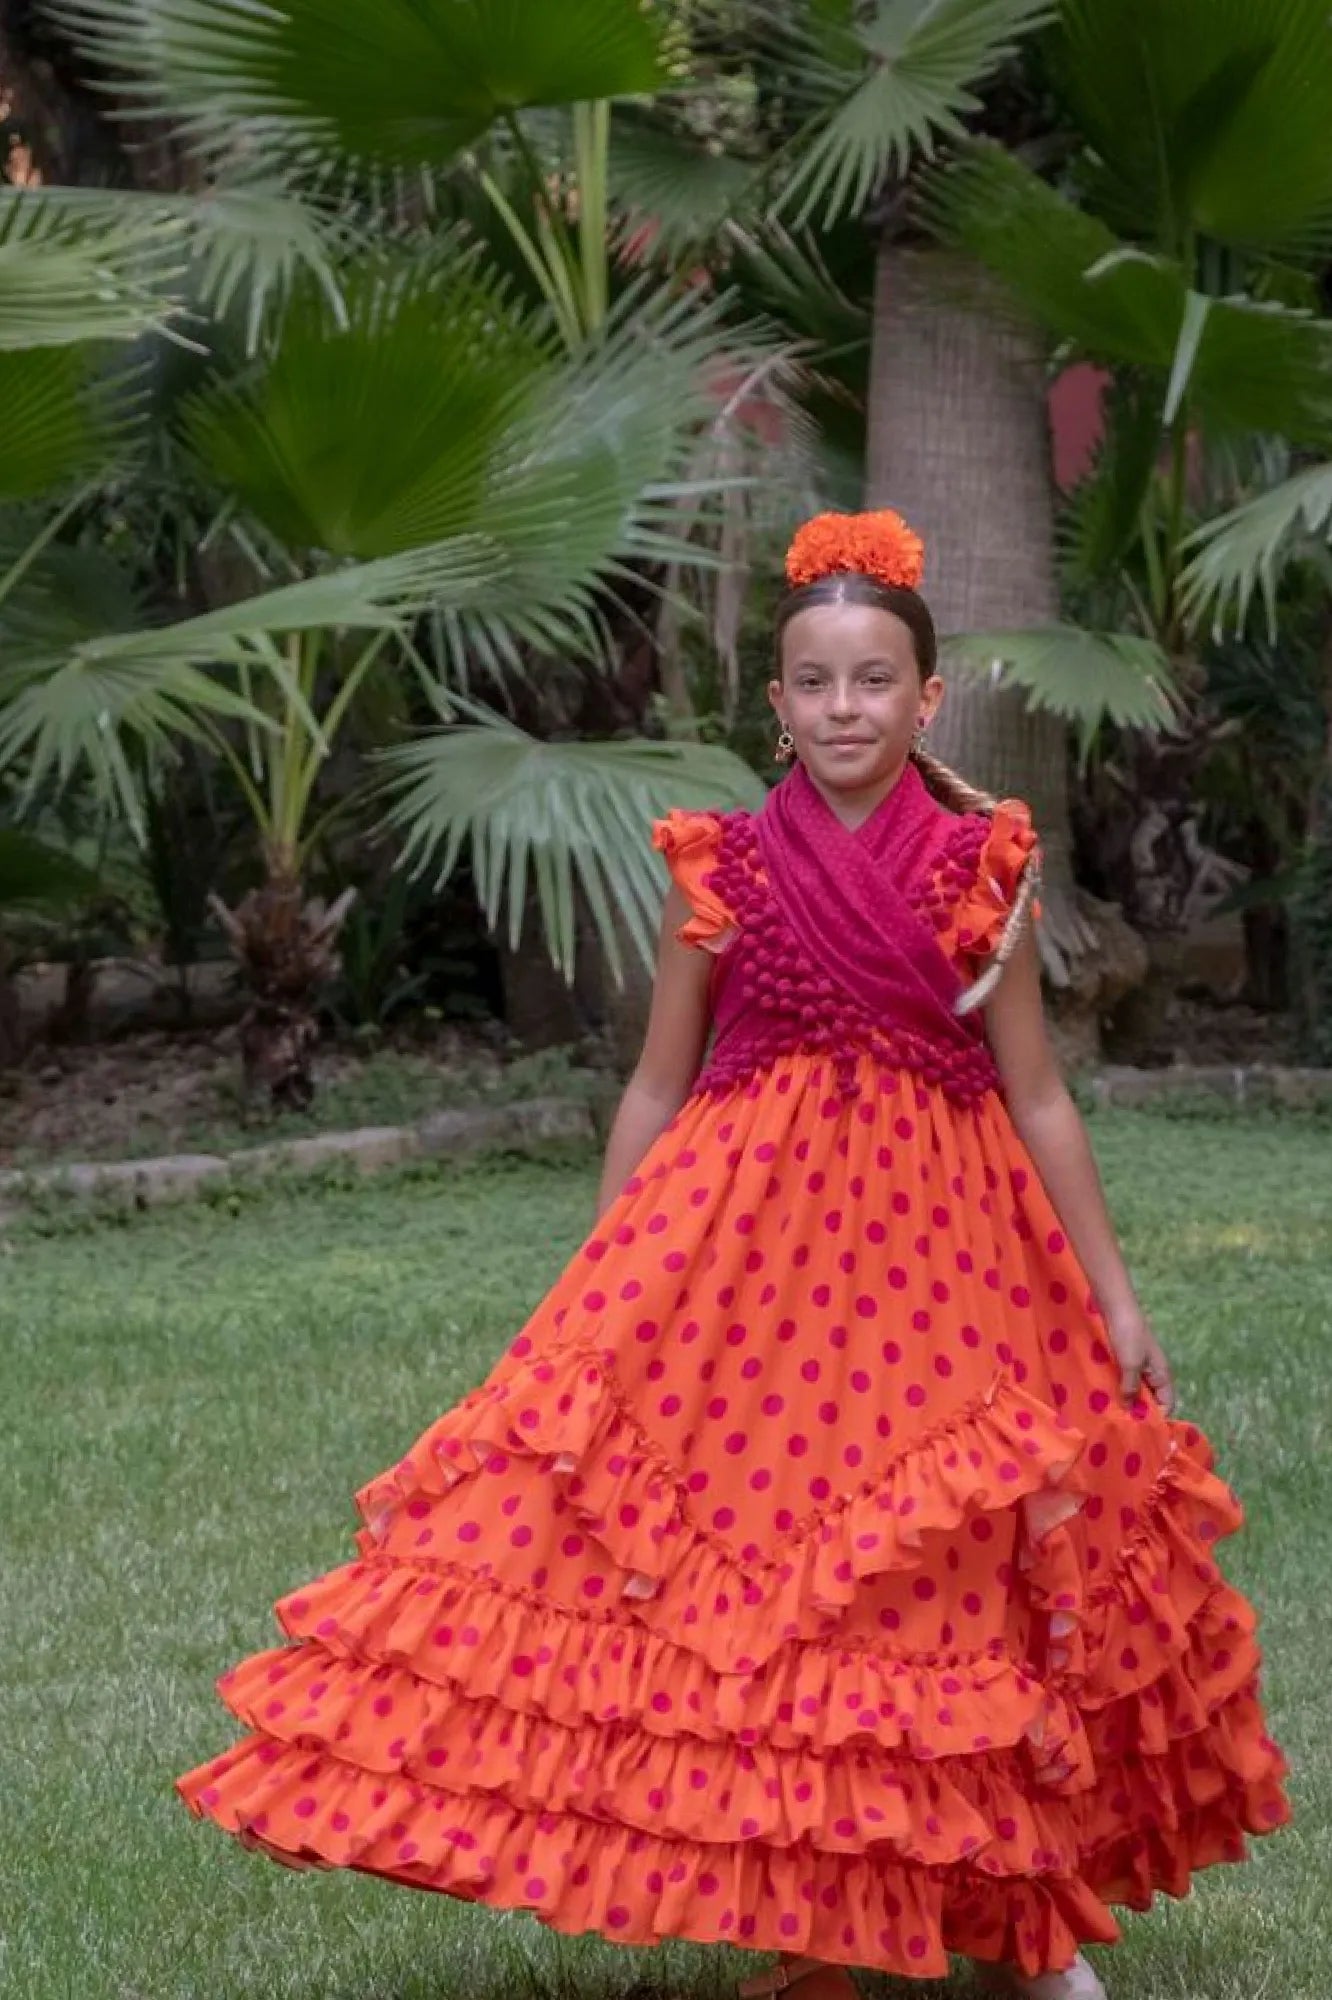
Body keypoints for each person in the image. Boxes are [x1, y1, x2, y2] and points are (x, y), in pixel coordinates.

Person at [178, 511, 1288, 1999]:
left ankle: (1023, 1912)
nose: (845, 709)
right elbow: (655, 1080)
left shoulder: (982, 869)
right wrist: (606, 1277)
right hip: (744, 1250)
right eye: (816, 683)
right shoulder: (727, 866)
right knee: (761, 1561)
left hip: (942, 1255)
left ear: (926, 699)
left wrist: (1114, 1290)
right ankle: (809, 1896)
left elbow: (1036, 1094)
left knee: (948, 1561)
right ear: (775, 702)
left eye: (874, 682)